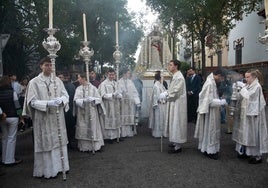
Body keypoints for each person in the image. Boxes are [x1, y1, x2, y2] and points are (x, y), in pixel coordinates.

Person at [22, 57, 69, 178]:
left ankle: (61, 167)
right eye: (47, 65)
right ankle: (48, 170)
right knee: (46, 143)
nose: (49, 67)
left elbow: (65, 95)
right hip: (43, 117)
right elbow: (31, 102)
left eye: (51, 65)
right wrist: (47, 104)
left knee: (59, 142)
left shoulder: (57, 80)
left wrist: (61, 100)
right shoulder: (34, 82)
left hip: (57, 118)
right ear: (41, 66)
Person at [232, 69, 268, 164]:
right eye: (245, 76)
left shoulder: (257, 86)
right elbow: (242, 96)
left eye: (248, 77)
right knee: (246, 134)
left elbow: (249, 96)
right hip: (246, 115)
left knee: (253, 135)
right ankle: (246, 152)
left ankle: (257, 156)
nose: (246, 79)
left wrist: (242, 88)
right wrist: (238, 90)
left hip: (253, 116)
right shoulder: (249, 85)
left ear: (254, 77)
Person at [194, 69, 227, 160]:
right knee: (210, 131)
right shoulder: (209, 83)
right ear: (219, 75)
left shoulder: (212, 82)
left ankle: (208, 149)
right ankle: (209, 151)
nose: (221, 80)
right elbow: (209, 101)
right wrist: (221, 102)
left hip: (212, 112)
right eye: (221, 78)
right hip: (210, 113)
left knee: (210, 131)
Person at [159, 59, 187, 153]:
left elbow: (176, 92)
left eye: (171, 65)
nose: (169, 66)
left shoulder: (179, 77)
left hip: (178, 104)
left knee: (177, 123)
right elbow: (172, 89)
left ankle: (178, 146)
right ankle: (175, 142)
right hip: (174, 103)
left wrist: (166, 95)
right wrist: (166, 92)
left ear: (176, 66)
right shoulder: (175, 76)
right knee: (173, 122)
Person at [73, 73, 104, 152]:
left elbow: (99, 99)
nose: (78, 79)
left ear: (84, 78)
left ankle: (95, 146)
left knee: (93, 127)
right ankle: (85, 147)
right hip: (82, 112)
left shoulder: (93, 88)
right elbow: (75, 100)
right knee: (83, 128)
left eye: (79, 78)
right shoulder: (78, 89)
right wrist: (83, 100)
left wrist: (93, 99)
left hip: (92, 111)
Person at [0, 76, 23, 166]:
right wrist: (21, 117)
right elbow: (17, 106)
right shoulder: (12, 92)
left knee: (4, 138)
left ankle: (4, 158)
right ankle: (10, 160)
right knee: (11, 138)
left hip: (2, 117)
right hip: (13, 117)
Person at [98, 68, 121, 143]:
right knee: (109, 120)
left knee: (116, 119)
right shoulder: (103, 84)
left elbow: (119, 92)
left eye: (113, 75)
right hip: (108, 104)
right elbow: (103, 95)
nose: (111, 76)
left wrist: (119, 95)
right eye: (110, 75)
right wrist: (113, 95)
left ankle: (116, 135)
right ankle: (109, 137)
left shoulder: (116, 83)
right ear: (107, 75)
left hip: (115, 104)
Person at [118, 69, 141, 137]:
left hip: (130, 103)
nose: (129, 75)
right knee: (123, 118)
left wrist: (137, 101)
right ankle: (123, 133)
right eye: (128, 73)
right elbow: (118, 92)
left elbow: (134, 92)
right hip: (123, 104)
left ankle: (129, 132)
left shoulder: (130, 82)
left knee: (130, 118)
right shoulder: (119, 82)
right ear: (124, 74)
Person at [58, 73, 76, 149]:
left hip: (69, 109)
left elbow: (71, 97)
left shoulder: (71, 85)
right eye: (59, 77)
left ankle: (69, 142)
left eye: (62, 77)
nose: (61, 78)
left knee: (69, 127)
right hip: (60, 110)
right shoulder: (57, 86)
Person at [149, 72, 167, 138]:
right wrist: (162, 99)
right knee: (158, 119)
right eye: (162, 76)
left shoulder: (161, 85)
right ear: (160, 78)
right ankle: (158, 133)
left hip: (163, 104)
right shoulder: (156, 85)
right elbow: (156, 97)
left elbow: (165, 92)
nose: (164, 78)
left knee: (162, 118)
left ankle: (162, 132)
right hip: (159, 105)